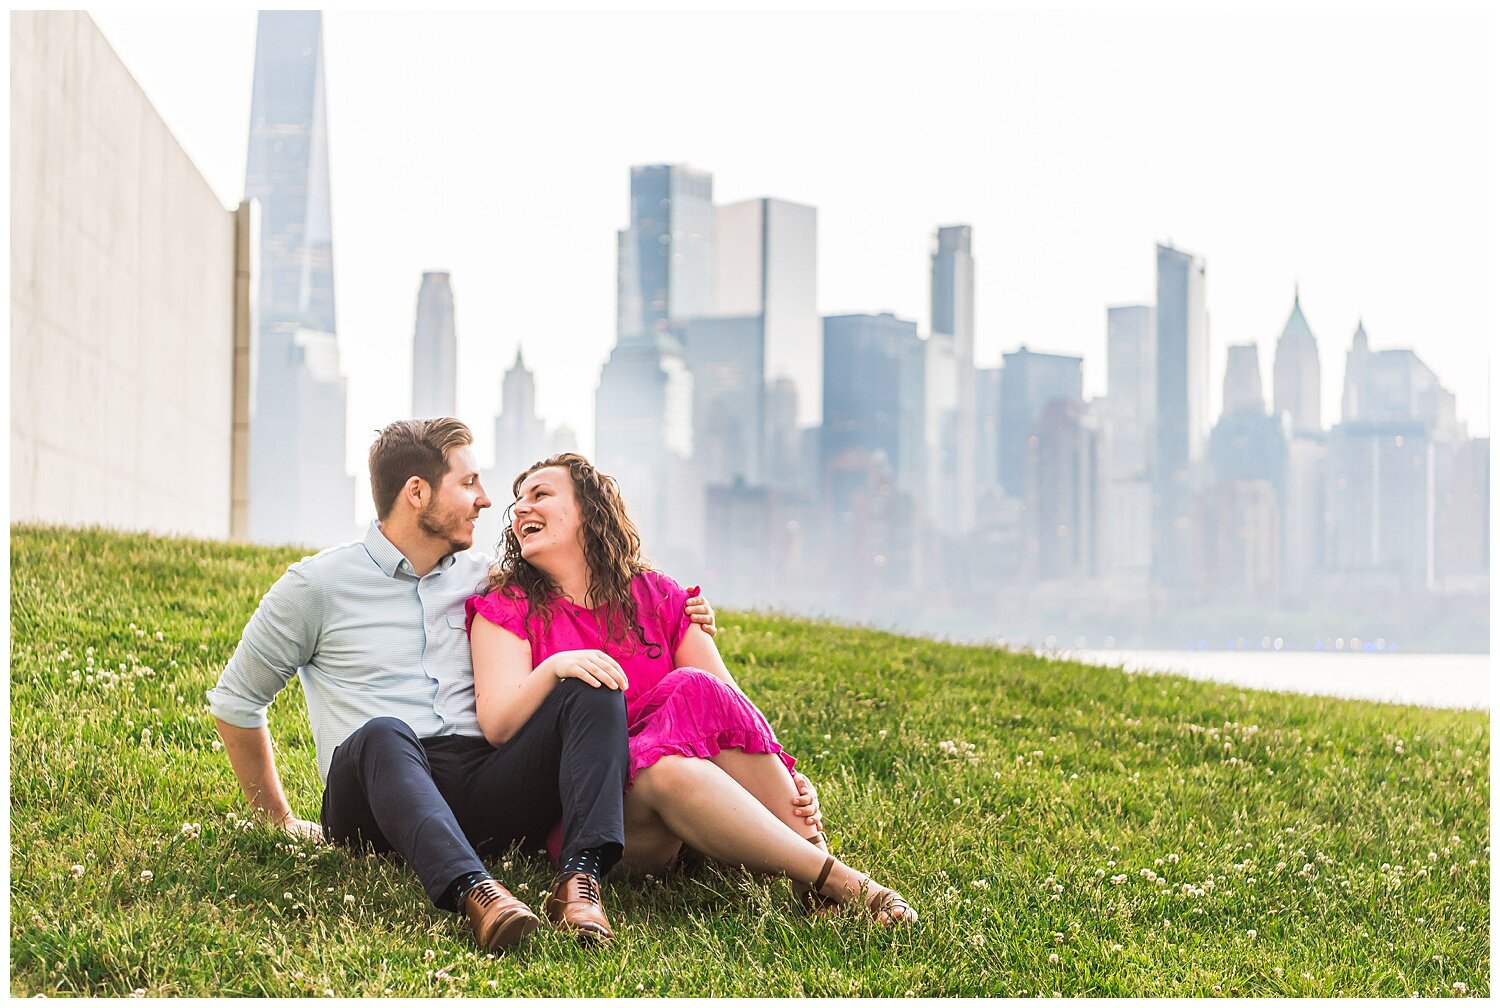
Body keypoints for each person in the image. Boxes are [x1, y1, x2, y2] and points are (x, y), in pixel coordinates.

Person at [205, 418, 723, 952]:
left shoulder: (490, 580)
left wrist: (683, 609)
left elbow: (594, 580)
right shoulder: (314, 586)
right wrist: (279, 820)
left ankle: (580, 882)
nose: (485, 499)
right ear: (417, 492)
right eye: (469, 483)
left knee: (589, 681)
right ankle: (477, 893)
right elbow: (237, 701)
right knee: (385, 732)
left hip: (483, 783)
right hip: (375, 797)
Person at [465, 453, 916, 925]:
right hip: (606, 814)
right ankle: (840, 882)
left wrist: (784, 778)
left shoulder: (659, 594)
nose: (519, 510)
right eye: (518, 501)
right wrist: (557, 667)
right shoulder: (508, 606)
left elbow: (730, 711)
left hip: (695, 791)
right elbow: (499, 726)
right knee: (664, 772)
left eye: (540, 495)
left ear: (589, 510)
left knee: (693, 688)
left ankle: (808, 855)